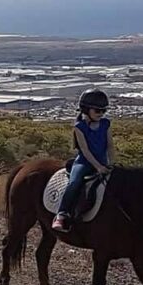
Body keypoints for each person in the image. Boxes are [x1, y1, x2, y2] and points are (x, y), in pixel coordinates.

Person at [52, 88, 115, 233]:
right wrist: (98, 167)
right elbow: (85, 151)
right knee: (74, 182)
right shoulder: (79, 127)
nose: (101, 114)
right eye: (97, 111)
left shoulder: (106, 124)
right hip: (84, 162)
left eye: (103, 111)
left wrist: (112, 163)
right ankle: (61, 214)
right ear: (86, 110)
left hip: (103, 162)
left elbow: (110, 146)